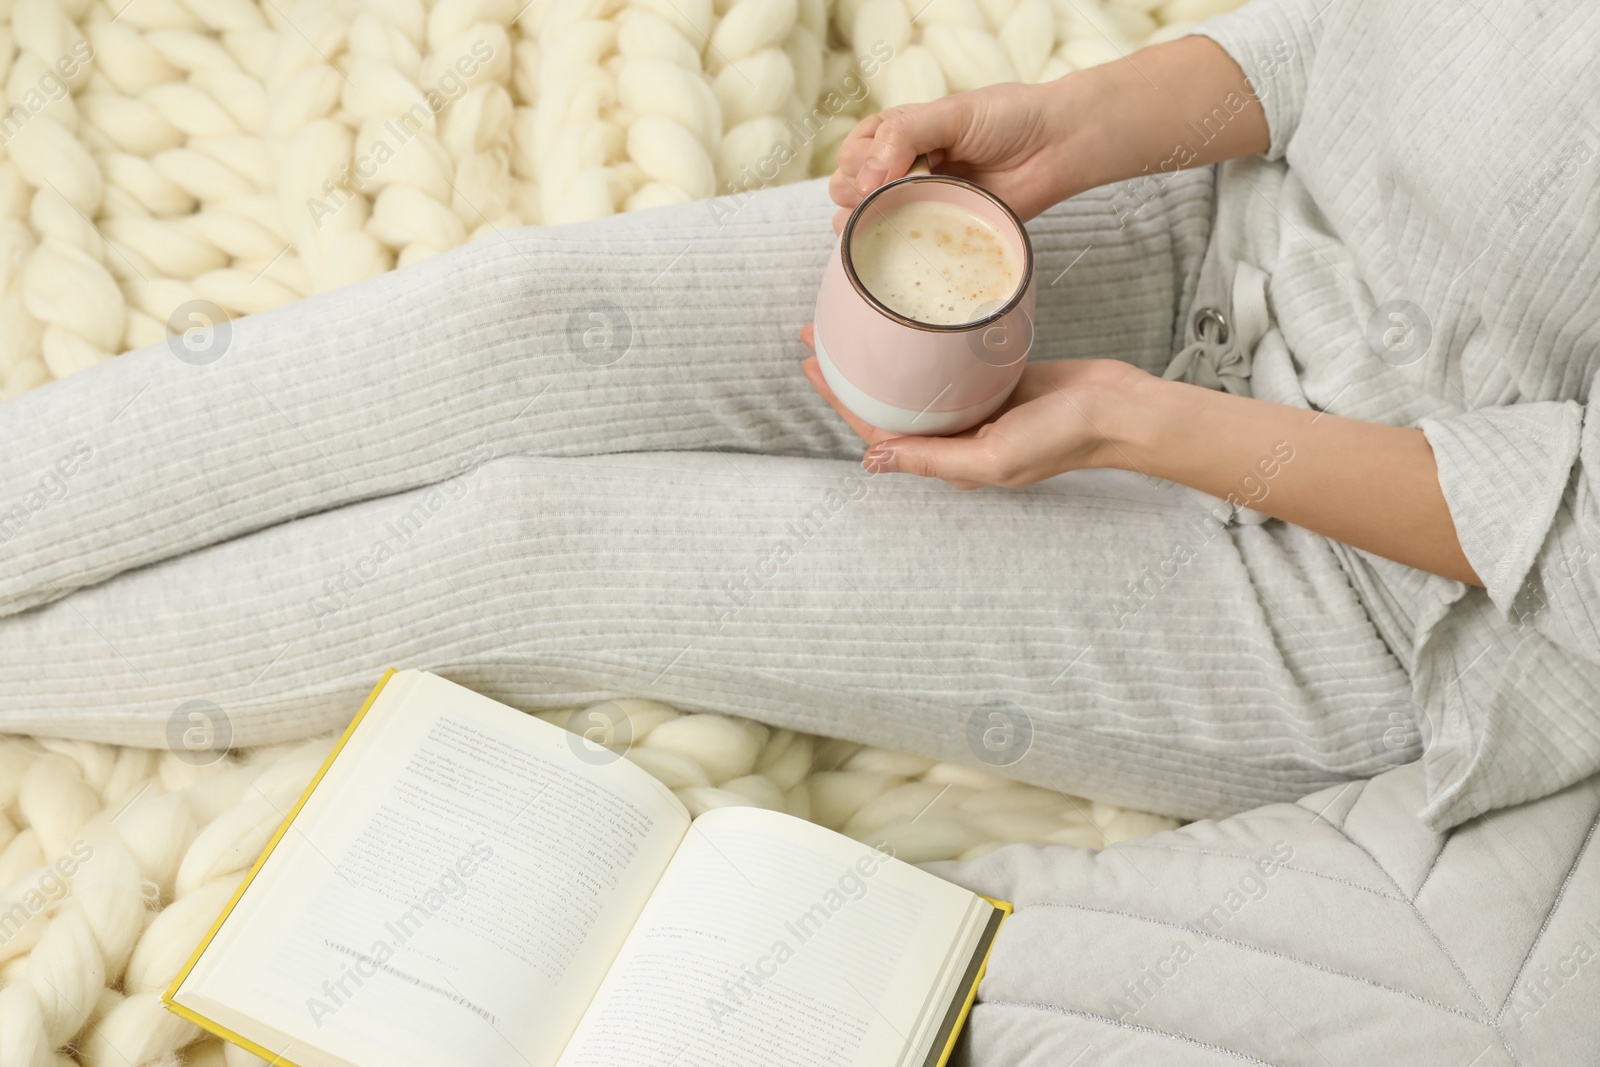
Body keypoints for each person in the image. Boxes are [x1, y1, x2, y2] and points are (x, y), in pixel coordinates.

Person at [1, 0, 1595, 832]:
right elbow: (1375, 38)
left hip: (1396, 596)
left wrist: (1134, 425)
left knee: (532, 552)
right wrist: (1089, 118)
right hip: (1221, 229)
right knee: (500, 317)